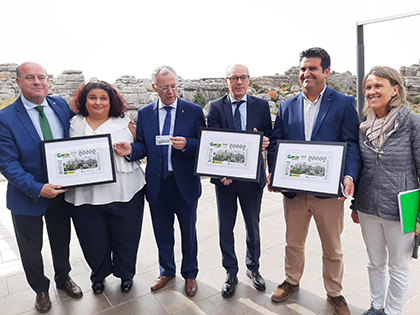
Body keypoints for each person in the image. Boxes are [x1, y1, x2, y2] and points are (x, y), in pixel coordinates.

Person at [267, 47, 361, 315]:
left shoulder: (343, 103)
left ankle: (335, 293)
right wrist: (273, 169)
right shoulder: (286, 105)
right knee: (293, 242)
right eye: (303, 69)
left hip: (328, 194)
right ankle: (291, 281)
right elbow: (276, 143)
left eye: (312, 68)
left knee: (332, 246)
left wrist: (349, 175)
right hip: (295, 192)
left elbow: (351, 144)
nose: (306, 73)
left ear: (326, 72)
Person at [114, 65, 205, 297]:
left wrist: (188, 145)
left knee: (188, 233)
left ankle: (190, 274)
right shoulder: (145, 113)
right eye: (164, 87)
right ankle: (166, 271)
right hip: (157, 184)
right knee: (162, 232)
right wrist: (131, 150)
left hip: (183, 183)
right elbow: (144, 146)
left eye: (174, 86)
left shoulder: (193, 111)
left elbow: (205, 145)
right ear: (154, 87)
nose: (170, 92)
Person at [0, 62, 82, 313]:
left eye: (41, 77)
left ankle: (63, 277)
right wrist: (37, 188)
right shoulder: (5, 118)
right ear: (18, 82)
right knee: (30, 248)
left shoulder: (60, 106)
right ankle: (40, 289)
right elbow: (7, 162)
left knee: (61, 240)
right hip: (27, 196)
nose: (37, 82)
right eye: (30, 77)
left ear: (48, 81)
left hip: (60, 192)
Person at [64, 81, 145, 295]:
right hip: (85, 195)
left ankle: (126, 273)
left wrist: (130, 149)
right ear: (84, 100)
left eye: (103, 98)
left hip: (125, 191)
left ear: (111, 101)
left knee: (126, 237)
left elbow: (142, 146)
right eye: (92, 97)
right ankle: (98, 276)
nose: (98, 102)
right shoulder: (74, 123)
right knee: (92, 240)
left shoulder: (124, 121)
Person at [352, 66, 420, 315]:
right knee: (375, 263)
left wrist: (419, 215)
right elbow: (361, 169)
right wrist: (354, 205)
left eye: (378, 85)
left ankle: (393, 312)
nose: (372, 91)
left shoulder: (413, 124)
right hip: (368, 207)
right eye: (368, 87)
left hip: (401, 210)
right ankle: (376, 307)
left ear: (395, 89)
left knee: (399, 267)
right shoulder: (364, 127)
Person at [207, 64, 272, 298]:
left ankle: (253, 268)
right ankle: (230, 271)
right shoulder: (215, 107)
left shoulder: (262, 106)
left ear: (249, 80)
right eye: (233, 78)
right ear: (226, 81)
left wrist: (264, 140)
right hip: (225, 180)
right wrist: (220, 172)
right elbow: (213, 143)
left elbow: (269, 136)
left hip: (252, 178)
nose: (238, 82)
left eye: (242, 77)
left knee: (252, 227)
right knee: (226, 227)